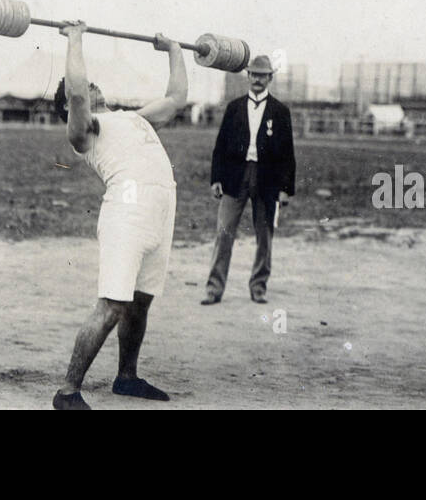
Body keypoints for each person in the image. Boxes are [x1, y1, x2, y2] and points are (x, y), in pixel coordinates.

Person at [51, 21, 187, 411]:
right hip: (127, 213)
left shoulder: (133, 117)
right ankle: (67, 392)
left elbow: (176, 98)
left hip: (160, 211)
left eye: (95, 85)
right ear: (69, 110)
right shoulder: (85, 131)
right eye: (86, 89)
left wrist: (173, 49)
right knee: (113, 303)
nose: (94, 88)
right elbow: (76, 90)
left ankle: (126, 377)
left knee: (140, 301)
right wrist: (75, 40)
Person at [200, 54, 296, 305]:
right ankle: (214, 288)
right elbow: (220, 146)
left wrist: (286, 189)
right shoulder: (234, 108)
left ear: (270, 79)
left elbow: (288, 153)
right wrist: (216, 179)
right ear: (248, 76)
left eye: (262, 75)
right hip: (235, 177)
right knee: (223, 232)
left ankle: (259, 287)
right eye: (253, 74)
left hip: (267, 180)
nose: (257, 79)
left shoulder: (280, 111)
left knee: (264, 235)